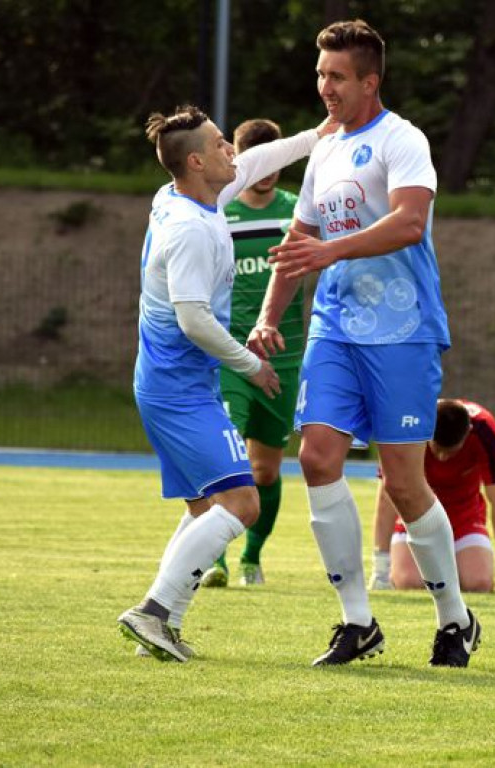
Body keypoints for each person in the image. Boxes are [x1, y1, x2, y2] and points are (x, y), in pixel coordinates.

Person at [249, 19, 481, 668]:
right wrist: (268, 316)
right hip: (335, 328)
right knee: (317, 457)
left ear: (370, 81)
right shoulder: (324, 149)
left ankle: (455, 618)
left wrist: (332, 250)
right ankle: (357, 621)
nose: (325, 87)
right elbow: (299, 244)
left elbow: (409, 223)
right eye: (320, 74)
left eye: (338, 76)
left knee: (404, 482)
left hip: (402, 332)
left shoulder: (403, 139)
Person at [117, 105, 335, 662]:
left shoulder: (188, 195)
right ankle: (152, 613)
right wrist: (250, 365)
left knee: (203, 510)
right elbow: (192, 318)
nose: (232, 151)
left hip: (172, 384)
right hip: (179, 391)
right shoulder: (190, 229)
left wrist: (318, 135)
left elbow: (260, 158)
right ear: (196, 161)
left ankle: (162, 626)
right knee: (242, 502)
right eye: (220, 144)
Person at [198, 118, 305, 589]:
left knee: (265, 469)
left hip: (285, 354)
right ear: (238, 159)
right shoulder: (219, 211)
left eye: (275, 159)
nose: (268, 170)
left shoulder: (297, 210)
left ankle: (251, 558)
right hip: (230, 353)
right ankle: (214, 560)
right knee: (225, 458)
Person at [369, 398, 495, 594]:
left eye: (450, 452)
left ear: (468, 433)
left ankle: (458, 564)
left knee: (478, 583)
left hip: (464, 518)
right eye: (437, 449)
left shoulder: (484, 431)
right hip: (415, 517)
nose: (442, 458)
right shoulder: (407, 429)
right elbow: (386, 498)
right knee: (409, 581)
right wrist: (381, 569)